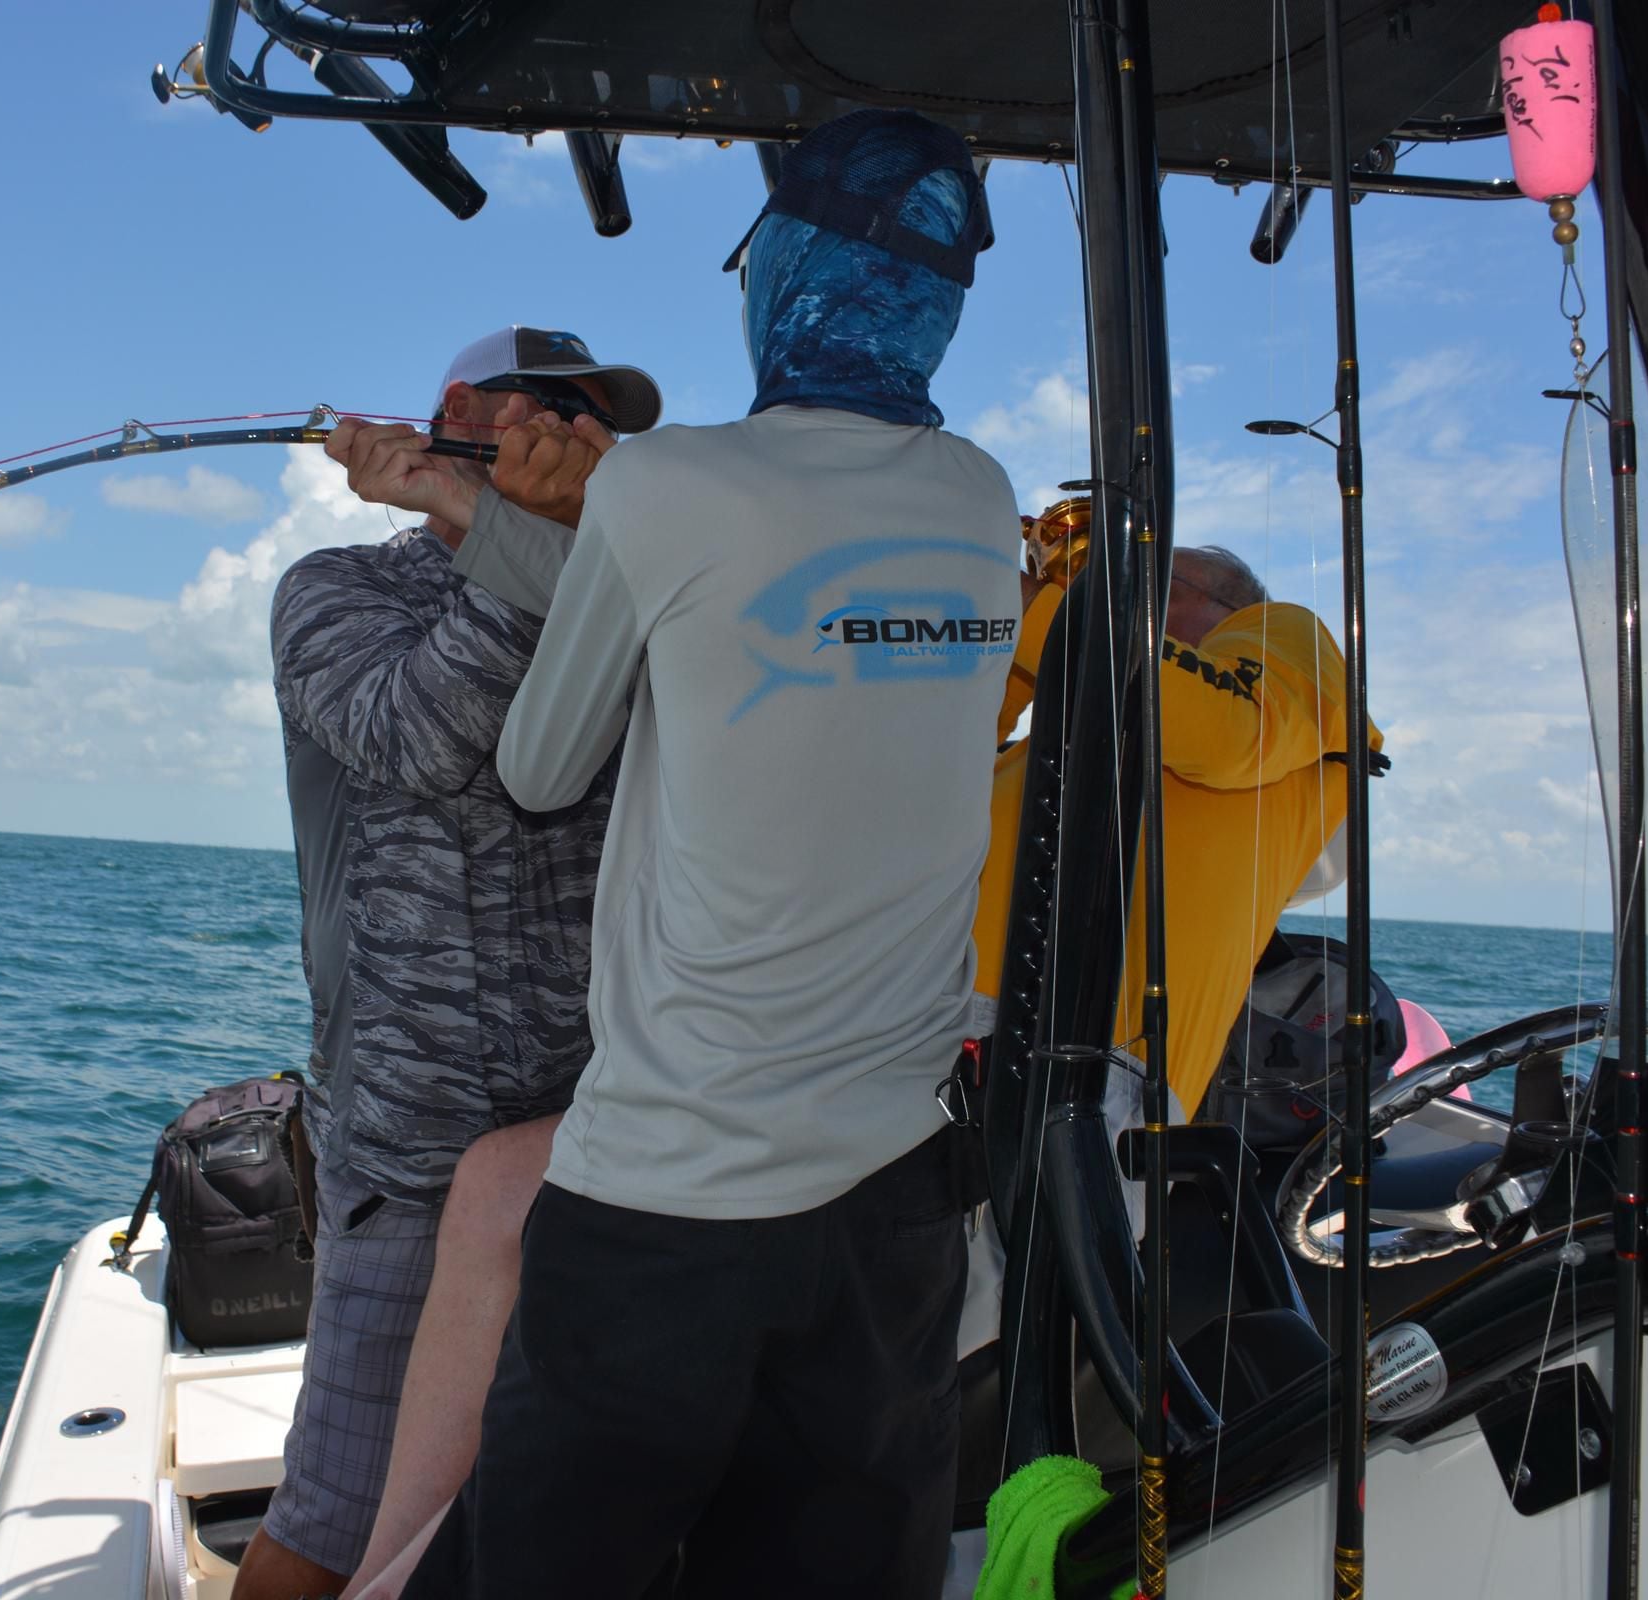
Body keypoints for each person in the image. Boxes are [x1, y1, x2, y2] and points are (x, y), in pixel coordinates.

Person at [401, 107, 1016, 1600]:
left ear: (780, 274)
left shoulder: (665, 484)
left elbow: (543, 769)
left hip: (670, 1195)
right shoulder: (981, 499)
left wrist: (567, 523)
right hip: (895, 1199)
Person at [229, 327, 661, 1600]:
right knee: (341, 1514)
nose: (582, 439)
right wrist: (493, 545)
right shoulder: (332, 590)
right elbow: (413, 735)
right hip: (412, 1149)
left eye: (599, 424)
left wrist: (539, 546)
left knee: (568, 1496)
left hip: (604, 1136)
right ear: (462, 411)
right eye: (554, 410)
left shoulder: (625, 602)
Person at [969, 502, 1385, 1117]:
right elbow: (940, 770)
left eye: (1149, 579)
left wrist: (1043, 612)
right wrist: (1022, 656)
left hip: (1087, 1065)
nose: (1114, 589)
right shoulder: (1088, 713)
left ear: (1233, 611)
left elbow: (1228, 730)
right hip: (933, 1014)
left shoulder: (1284, 636)